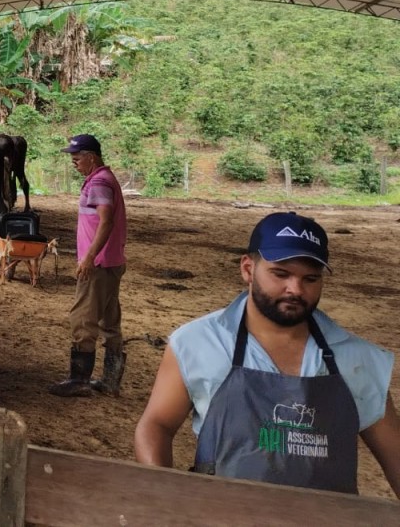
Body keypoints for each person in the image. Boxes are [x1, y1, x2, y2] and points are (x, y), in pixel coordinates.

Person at [134, 212, 400, 496]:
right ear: (248, 269)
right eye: (281, 274)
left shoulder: (358, 360)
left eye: (310, 278)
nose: (295, 290)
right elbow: (157, 425)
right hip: (220, 515)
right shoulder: (198, 343)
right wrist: (161, 495)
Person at [49, 133, 127, 397]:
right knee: (110, 320)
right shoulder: (106, 179)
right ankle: (110, 380)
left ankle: (79, 380)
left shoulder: (99, 183)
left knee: (82, 318)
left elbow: (106, 221)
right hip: (113, 261)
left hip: (99, 264)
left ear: (91, 157)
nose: (74, 163)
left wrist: (90, 256)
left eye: (77, 158)